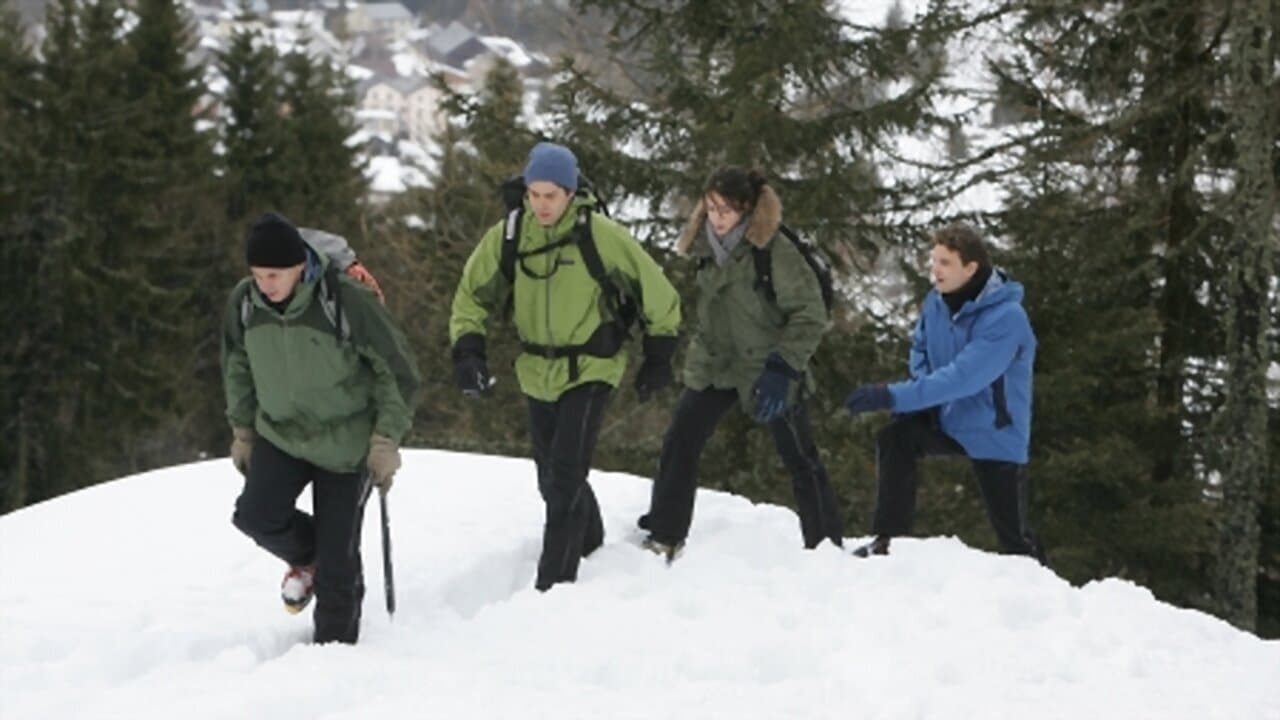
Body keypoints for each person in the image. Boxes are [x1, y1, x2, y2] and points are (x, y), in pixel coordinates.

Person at [449, 142, 681, 592]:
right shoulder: (510, 235)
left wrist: (659, 355)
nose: (541, 205)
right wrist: (469, 350)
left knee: (564, 478)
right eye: (533, 194)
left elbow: (657, 290)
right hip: (536, 370)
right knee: (550, 476)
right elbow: (471, 294)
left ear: (570, 193)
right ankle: (589, 537)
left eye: (551, 196)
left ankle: (553, 585)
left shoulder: (599, 234)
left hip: (592, 367)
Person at [222, 212, 421, 644]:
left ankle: (335, 656)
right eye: (257, 274)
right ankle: (317, 557)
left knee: (338, 574)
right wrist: (243, 431)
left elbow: (398, 372)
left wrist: (386, 440)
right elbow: (237, 364)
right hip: (282, 434)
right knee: (255, 516)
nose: (265, 285)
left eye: (274, 275)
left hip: (346, 443)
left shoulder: (345, 301)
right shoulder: (245, 303)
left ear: (300, 266)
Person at [637, 166, 844, 560]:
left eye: (727, 210)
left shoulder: (774, 249)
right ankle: (665, 533)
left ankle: (826, 546)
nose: (717, 218)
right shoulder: (703, 245)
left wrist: (783, 367)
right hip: (716, 364)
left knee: (799, 457)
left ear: (748, 209)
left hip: (769, 366)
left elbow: (810, 314)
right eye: (712, 207)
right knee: (680, 442)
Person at [844, 223, 1045, 562]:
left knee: (1015, 541)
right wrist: (925, 400)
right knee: (896, 438)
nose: (935, 270)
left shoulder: (1007, 318)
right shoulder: (935, 302)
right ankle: (886, 541)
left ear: (971, 268)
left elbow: (963, 378)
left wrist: (892, 395)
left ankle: (1043, 584)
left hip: (994, 430)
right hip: (947, 417)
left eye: (945, 263)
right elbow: (920, 350)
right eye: (933, 261)